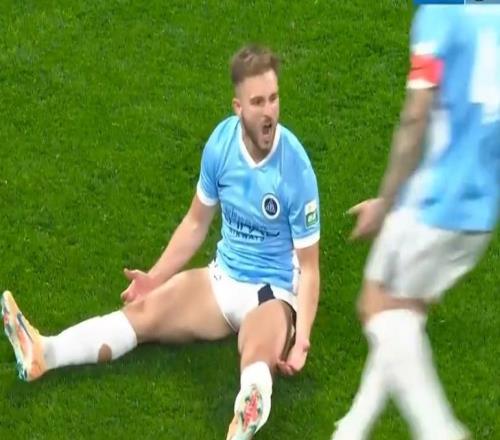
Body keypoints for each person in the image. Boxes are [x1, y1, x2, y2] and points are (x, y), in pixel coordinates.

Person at [2, 44, 321, 440]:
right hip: (223, 278)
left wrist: (301, 337)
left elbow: (309, 268)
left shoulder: (295, 169)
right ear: (238, 107)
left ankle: (246, 415)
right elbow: (195, 222)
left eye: (273, 98)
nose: (269, 111)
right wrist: (154, 278)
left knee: (255, 349)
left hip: (271, 293)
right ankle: (44, 352)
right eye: (258, 102)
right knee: (143, 314)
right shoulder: (222, 144)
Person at [332, 5, 500, 440]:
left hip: (438, 202)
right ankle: (351, 430)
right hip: (479, 211)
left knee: (378, 306)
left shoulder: (437, 16)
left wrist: (385, 203)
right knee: (401, 314)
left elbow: (414, 117)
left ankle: (440, 431)